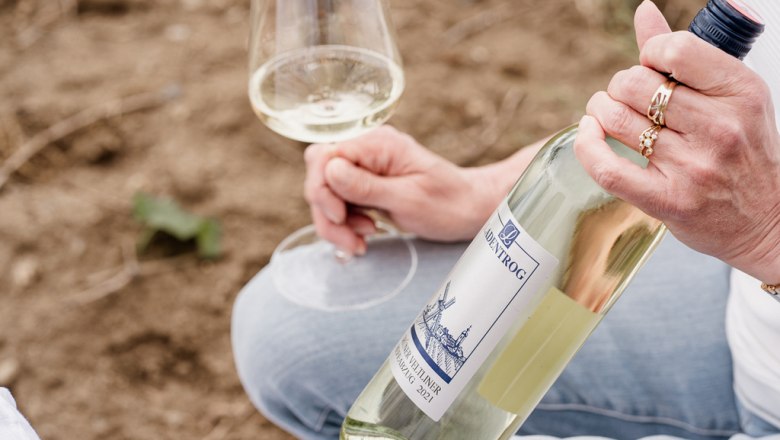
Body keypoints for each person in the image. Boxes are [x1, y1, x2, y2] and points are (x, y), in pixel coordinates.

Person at [231, 1, 780, 439]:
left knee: (470, 410)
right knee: (285, 332)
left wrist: (765, 233)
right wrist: (482, 193)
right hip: (734, 288)